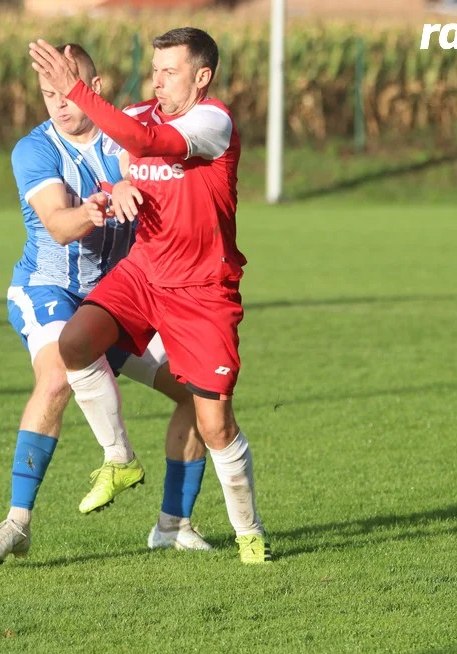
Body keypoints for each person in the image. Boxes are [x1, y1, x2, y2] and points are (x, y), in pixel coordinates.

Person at [28, 28, 271, 564]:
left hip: (203, 291)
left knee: (215, 424)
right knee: (75, 343)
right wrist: (115, 187)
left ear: (201, 77)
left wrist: (81, 92)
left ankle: (248, 531)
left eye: (170, 71)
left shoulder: (214, 122)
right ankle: (119, 457)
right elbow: (118, 153)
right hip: (143, 274)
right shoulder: (139, 113)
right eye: (154, 70)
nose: (157, 82)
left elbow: (150, 146)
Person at [0, 43, 212, 564]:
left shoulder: (121, 130)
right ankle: (18, 522)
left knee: (201, 394)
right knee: (57, 371)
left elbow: (138, 161)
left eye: (67, 89)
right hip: (49, 288)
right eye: (47, 93)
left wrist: (130, 180)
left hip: (123, 298)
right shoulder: (33, 150)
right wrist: (97, 207)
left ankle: (174, 523)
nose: (58, 102)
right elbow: (59, 225)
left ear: (94, 88)